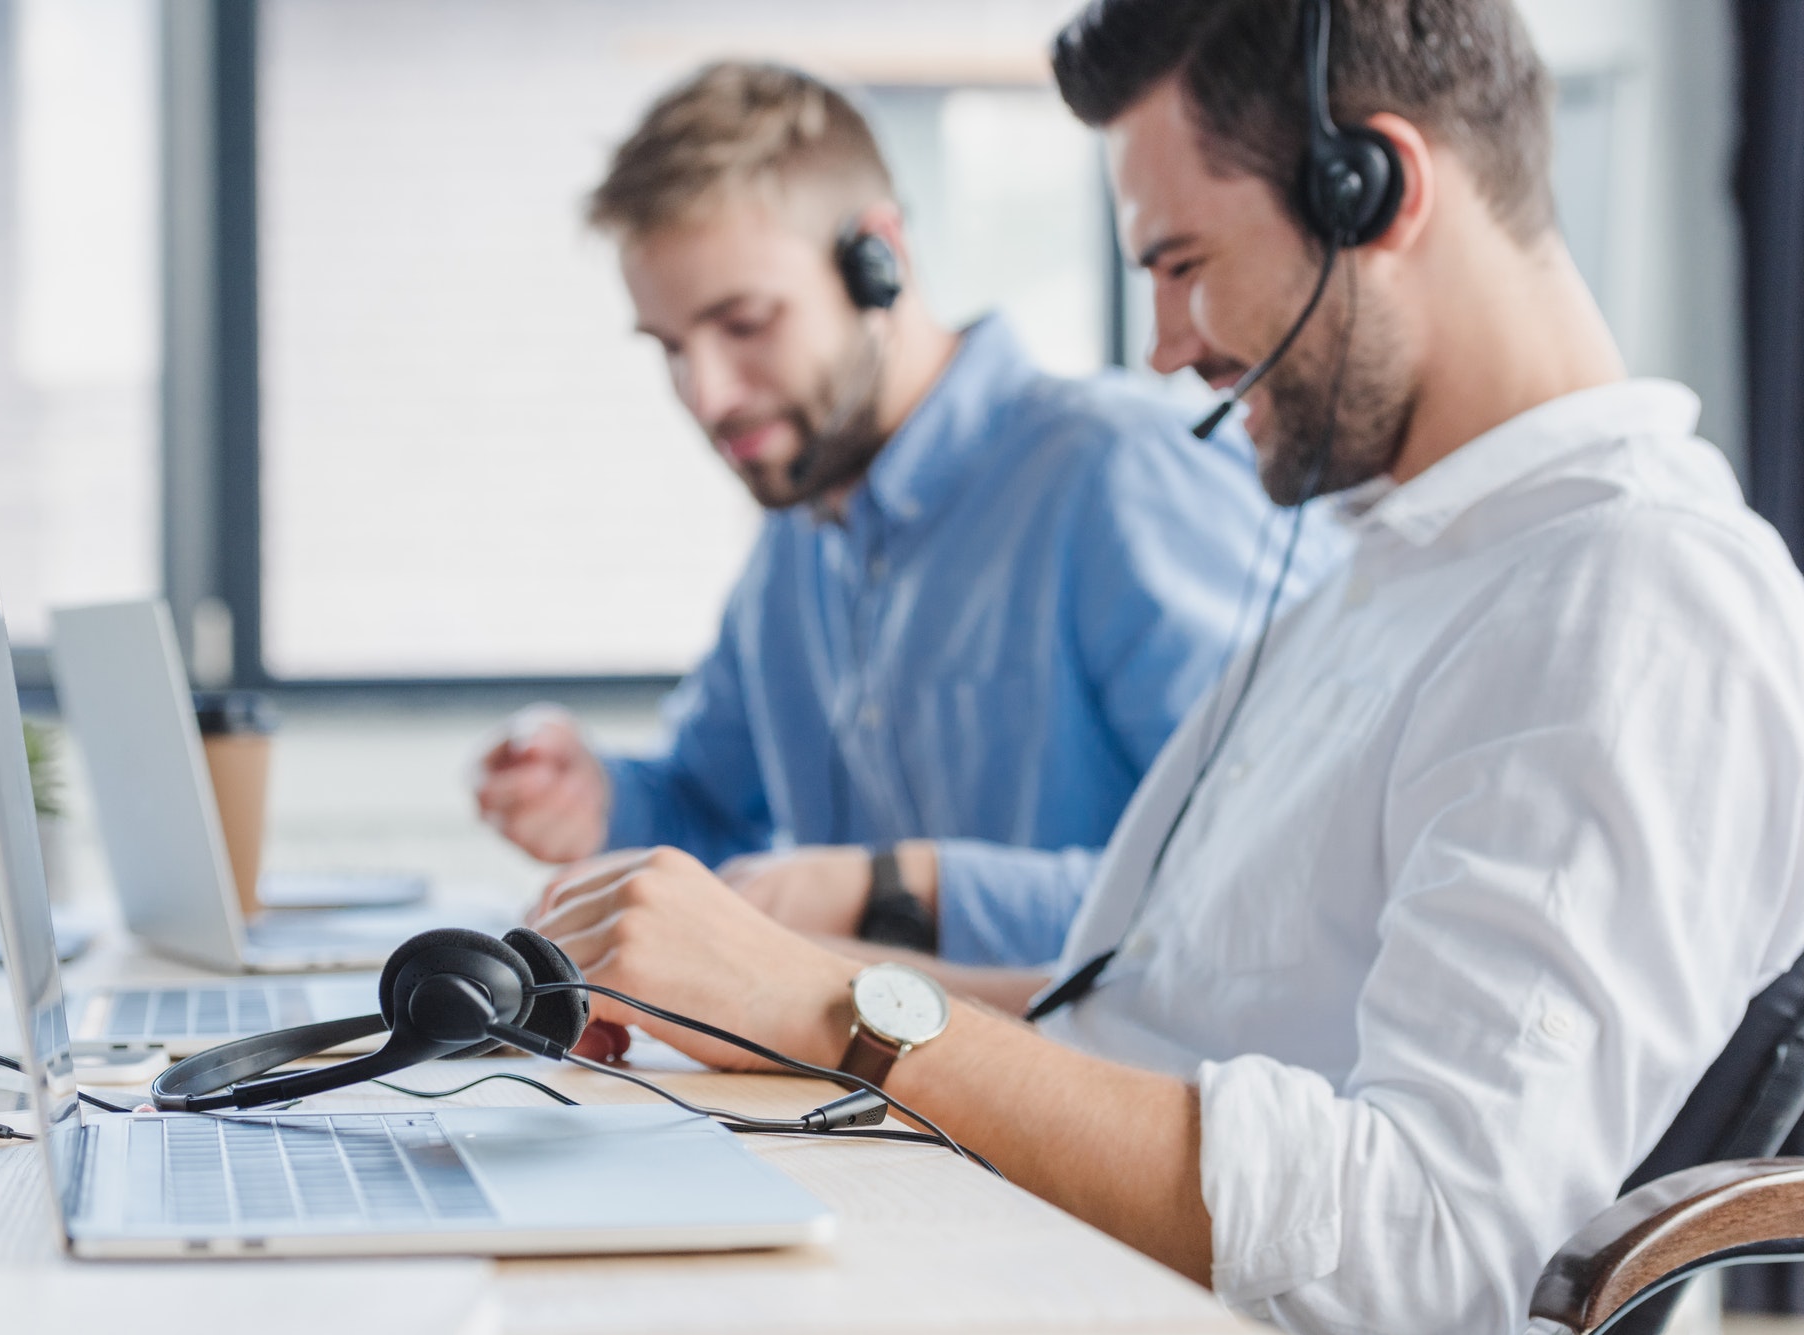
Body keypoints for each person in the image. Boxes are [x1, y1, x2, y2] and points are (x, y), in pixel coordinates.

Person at [525, 3, 1804, 1332]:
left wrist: (830, 1000)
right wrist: (743, 986)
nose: (1165, 345)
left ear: (1375, 191)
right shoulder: (1394, 567)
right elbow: (1132, 1013)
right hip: (1014, 1250)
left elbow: (1435, 1243)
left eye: (1184, 260)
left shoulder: (1629, 594)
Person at [475, 62, 1338, 970]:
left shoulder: (1121, 477)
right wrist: (596, 794)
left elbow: (1275, 877)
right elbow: (710, 814)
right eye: (671, 350)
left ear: (876, 259)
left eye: (745, 324)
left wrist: (896, 890)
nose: (707, 394)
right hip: (850, 1105)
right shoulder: (795, 547)